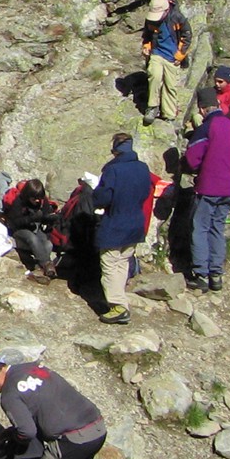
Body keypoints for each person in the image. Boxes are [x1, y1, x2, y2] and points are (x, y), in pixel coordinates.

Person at [0, 351, 106, 459]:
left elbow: (27, 432)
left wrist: (16, 440)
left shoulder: (9, 395)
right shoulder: (31, 367)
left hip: (74, 440)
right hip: (97, 429)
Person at [184, 86, 230, 293]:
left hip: (209, 187)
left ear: (201, 109)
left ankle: (201, 274)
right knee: (217, 228)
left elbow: (192, 160)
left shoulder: (206, 128)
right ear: (218, 105)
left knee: (200, 227)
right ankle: (216, 274)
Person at [90, 133, 153, 325]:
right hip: (135, 222)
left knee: (110, 262)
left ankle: (118, 306)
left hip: (115, 222)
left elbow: (103, 198)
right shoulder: (143, 168)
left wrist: (95, 194)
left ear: (115, 149)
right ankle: (120, 299)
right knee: (123, 261)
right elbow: (145, 192)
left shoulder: (113, 170)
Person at [138, 0, 190, 124]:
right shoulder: (150, 20)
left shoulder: (177, 18)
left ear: (166, 11)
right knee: (154, 75)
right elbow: (147, 36)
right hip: (157, 52)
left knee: (170, 85)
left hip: (172, 56)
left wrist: (179, 55)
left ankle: (169, 114)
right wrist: (146, 47)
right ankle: (152, 106)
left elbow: (187, 36)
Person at [2, 180, 60, 280]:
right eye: (34, 198)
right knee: (32, 238)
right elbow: (14, 223)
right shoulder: (19, 202)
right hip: (20, 230)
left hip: (37, 228)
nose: (37, 201)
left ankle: (39, 267)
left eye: (39, 198)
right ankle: (46, 264)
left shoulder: (42, 202)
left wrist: (51, 218)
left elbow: (45, 216)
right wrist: (31, 218)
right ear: (27, 195)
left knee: (47, 244)